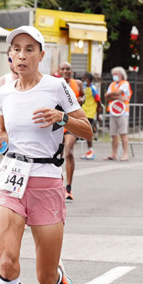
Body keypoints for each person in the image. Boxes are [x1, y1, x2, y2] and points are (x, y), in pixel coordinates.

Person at [0, 25, 92, 284]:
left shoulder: (57, 87)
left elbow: (88, 130)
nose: (21, 55)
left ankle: (58, 278)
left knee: (43, 278)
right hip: (12, 179)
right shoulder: (4, 91)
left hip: (47, 181)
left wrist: (62, 117)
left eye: (29, 49)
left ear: (41, 55)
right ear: (10, 55)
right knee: (7, 260)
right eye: (16, 49)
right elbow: (6, 137)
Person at [60, 62, 85, 200]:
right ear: (59, 71)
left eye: (68, 69)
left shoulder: (78, 84)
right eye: (63, 69)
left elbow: (83, 96)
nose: (65, 71)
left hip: (71, 123)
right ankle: (57, 184)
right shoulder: (54, 84)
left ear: (71, 71)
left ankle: (68, 188)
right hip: (58, 123)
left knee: (68, 151)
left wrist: (81, 100)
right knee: (57, 155)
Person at [105, 66, 132, 161]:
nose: (114, 76)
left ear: (121, 75)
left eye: (116, 74)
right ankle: (114, 154)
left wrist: (111, 95)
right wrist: (117, 97)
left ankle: (125, 154)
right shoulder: (112, 84)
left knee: (123, 133)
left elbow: (119, 92)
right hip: (113, 112)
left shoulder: (125, 84)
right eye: (113, 74)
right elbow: (107, 96)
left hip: (123, 112)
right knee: (113, 134)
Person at [0, 47, 18, 115]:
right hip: (6, 120)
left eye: (16, 59)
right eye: (11, 60)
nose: (14, 63)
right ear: (8, 61)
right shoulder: (2, 81)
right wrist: (6, 94)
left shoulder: (32, 80)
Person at [80, 72, 101, 160]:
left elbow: (98, 102)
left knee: (87, 132)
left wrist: (98, 115)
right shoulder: (84, 88)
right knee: (84, 132)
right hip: (83, 112)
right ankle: (89, 150)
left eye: (84, 79)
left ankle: (91, 150)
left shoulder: (93, 89)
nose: (83, 80)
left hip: (90, 113)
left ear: (89, 80)